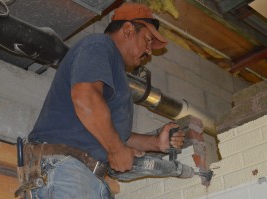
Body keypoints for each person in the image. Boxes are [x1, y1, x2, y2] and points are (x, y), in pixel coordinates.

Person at [26, 2, 185, 199]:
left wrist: (155, 143)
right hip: (67, 171)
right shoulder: (99, 45)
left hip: (85, 177)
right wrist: (117, 149)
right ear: (128, 30)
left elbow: (114, 134)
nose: (149, 50)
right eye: (147, 40)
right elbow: (86, 99)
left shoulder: (112, 69)